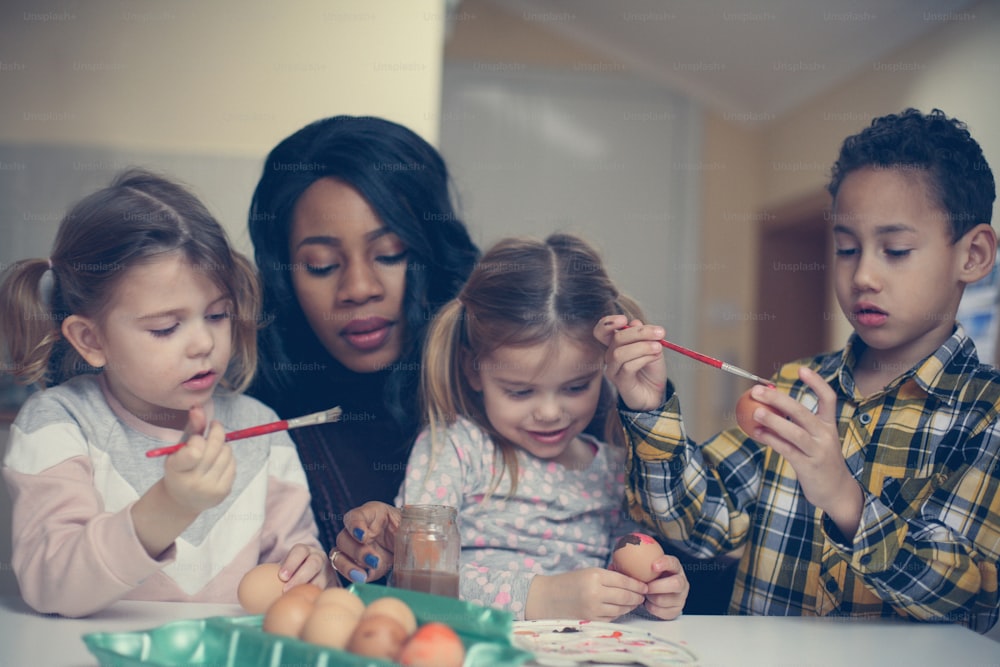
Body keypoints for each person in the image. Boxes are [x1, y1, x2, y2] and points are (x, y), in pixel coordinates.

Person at [596, 108, 1000, 632]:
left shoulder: (986, 416)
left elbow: (958, 591)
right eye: (847, 249)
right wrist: (648, 411)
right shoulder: (793, 388)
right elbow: (699, 526)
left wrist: (842, 496)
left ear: (973, 254)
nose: (864, 276)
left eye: (896, 250)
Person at [0, 169, 332, 617]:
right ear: (91, 340)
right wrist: (171, 506)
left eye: (217, 316)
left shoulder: (261, 430)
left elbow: (291, 567)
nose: (203, 344)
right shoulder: (59, 426)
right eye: (166, 327)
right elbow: (51, 583)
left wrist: (312, 570)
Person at [331, 234, 690, 622]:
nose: (551, 413)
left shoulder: (611, 466)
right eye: (520, 391)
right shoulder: (455, 449)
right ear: (474, 370)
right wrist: (544, 598)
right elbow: (417, 583)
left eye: (576, 386)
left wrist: (652, 587)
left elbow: (628, 559)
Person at [247, 116, 479, 563]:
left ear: (432, 253)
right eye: (321, 265)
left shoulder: (508, 374)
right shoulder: (255, 414)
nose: (358, 288)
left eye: (389, 254)